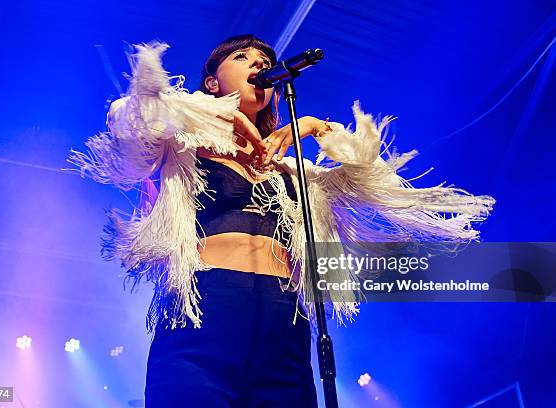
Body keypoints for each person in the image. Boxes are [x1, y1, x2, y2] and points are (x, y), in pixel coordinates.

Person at [68, 34, 495, 407]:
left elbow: (371, 177)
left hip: (284, 319)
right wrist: (222, 116)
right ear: (213, 83)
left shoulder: (293, 173)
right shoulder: (179, 146)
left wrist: (316, 127)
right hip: (204, 310)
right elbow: (130, 114)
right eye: (242, 57)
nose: (259, 63)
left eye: (264, 60)